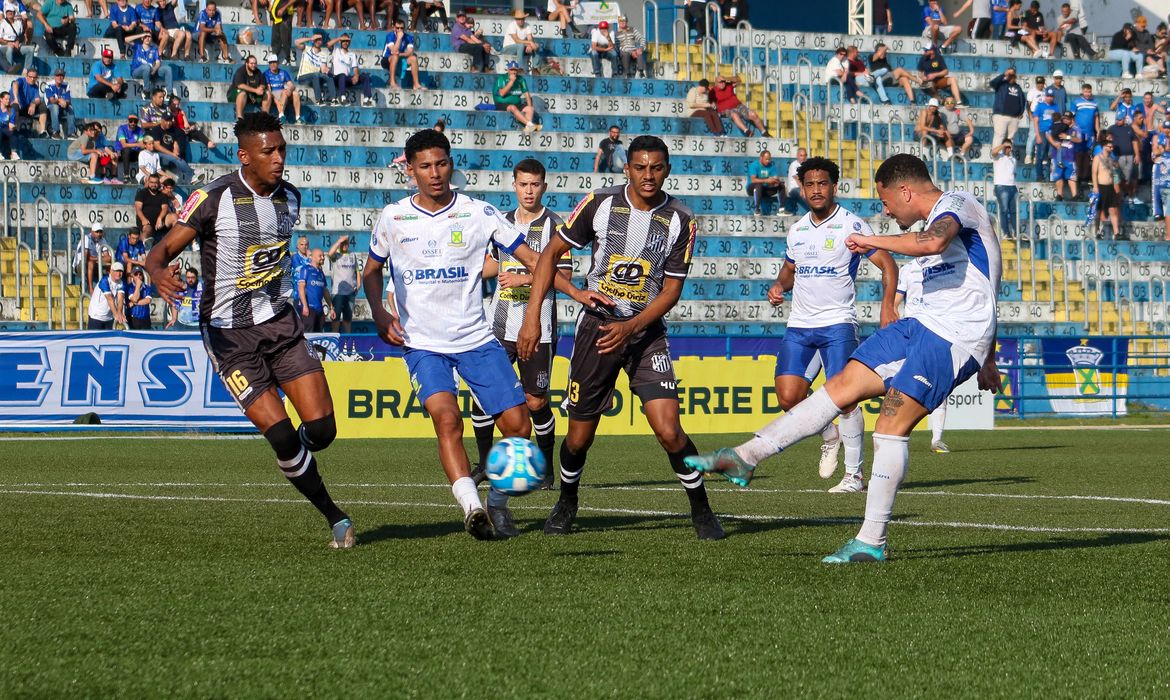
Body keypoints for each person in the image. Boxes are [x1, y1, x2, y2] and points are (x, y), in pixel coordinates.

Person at [685, 153, 1002, 564]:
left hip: (954, 337)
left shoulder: (956, 205)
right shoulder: (942, 227)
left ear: (905, 191)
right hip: (921, 326)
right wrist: (992, 356)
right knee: (841, 388)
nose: (885, 210)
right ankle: (746, 457)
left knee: (890, 423)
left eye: (887, 201)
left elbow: (934, 243)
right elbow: (989, 279)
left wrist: (872, 240)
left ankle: (872, 540)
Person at [361, 129, 590, 540]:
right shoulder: (393, 217)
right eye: (425, 166)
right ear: (410, 169)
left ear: (451, 164)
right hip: (423, 344)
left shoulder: (479, 212)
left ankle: (497, 506)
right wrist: (379, 312)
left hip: (476, 339)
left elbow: (535, 259)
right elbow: (371, 270)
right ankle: (472, 509)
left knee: (519, 428)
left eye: (442, 164)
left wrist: (574, 291)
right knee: (447, 421)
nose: (435, 173)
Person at [144, 112, 355, 549]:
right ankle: (334, 516)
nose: (279, 158)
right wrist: (157, 271)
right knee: (280, 436)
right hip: (229, 334)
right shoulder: (212, 197)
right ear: (245, 156)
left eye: (282, 150)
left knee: (322, 432)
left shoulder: (290, 199)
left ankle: (297, 455)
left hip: (280, 324)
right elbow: (160, 251)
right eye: (269, 151)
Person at [516, 134, 726, 541]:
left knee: (669, 430)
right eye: (640, 167)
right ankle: (567, 501)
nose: (649, 175)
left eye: (657, 167)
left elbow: (671, 290)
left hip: (645, 332)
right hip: (596, 329)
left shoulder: (681, 218)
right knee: (579, 437)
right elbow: (549, 254)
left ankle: (702, 510)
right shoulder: (598, 203)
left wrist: (632, 327)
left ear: (667, 169)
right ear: (626, 168)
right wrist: (531, 318)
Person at [767, 157, 898, 493]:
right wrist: (780, 285)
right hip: (800, 324)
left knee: (846, 399)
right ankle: (829, 435)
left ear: (834, 186)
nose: (816, 190)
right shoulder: (796, 230)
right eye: (809, 184)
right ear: (801, 187)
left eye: (822, 183)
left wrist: (887, 306)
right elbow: (789, 269)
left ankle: (854, 476)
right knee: (787, 397)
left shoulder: (851, 226)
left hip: (837, 323)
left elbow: (887, 264)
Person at [468, 158, 572, 491]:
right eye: (523, 184)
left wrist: (525, 277)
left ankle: (543, 467)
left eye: (535, 184)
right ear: (513, 184)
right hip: (497, 327)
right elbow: (490, 265)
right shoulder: (500, 222)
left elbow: (565, 276)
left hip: (537, 328)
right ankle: (484, 463)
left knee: (535, 402)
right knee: (483, 395)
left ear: (544, 186)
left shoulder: (557, 225)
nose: (529, 191)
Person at [893, 258, 949, 453]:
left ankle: (937, 439)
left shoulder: (942, 264)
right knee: (901, 383)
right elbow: (895, 302)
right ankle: (898, 433)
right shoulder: (908, 269)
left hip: (935, 331)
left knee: (938, 383)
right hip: (912, 329)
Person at [148, 111, 194, 183]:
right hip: (158, 154)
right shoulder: (156, 129)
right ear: (162, 120)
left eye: (170, 120)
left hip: (169, 155)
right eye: (166, 121)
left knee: (178, 158)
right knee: (176, 159)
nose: (169, 123)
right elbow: (157, 146)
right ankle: (191, 175)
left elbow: (175, 143)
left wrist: (176, 151)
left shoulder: (173, 130)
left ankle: (189, 178)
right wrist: (172, 154)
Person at [495, 61, 539, 134]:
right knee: (512, 107)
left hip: (516, 104)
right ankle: (529, 124)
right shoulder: (501, 78)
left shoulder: (521, 79)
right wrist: (511, 82)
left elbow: (527, 95)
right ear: (508, 70)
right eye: (512, 70)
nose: (514, 72)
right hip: (502, 103)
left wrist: (530, 108)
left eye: (515, 70)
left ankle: (526, 131)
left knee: (530, 109)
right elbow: (502, 93)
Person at [1092, 138, 1122, 239]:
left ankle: (1116, 232)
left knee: (1113, 209)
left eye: (1112, 146)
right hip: (1101, 187)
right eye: (1110, 146)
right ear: (1104, 146)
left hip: (1110, 187)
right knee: (1099, 211)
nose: (1111, 148)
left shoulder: (1111, 159)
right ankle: (1097, 231)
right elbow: (1094, 173)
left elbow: (1113, 174)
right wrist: (1095, 186)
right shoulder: (1097, 157)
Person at [1047, 110, 1081, 201]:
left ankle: (1075, 195)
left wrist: (1068, 137)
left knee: (1071, 177)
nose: (1065, 120)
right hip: (1057, 155)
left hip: (1070, 156)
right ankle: (1059, 195)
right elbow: (1048, 134)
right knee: (1058, 175)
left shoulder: (1076, 128)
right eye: (1064, 118)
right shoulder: (1057, 126)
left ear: (1072, 120)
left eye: (1067, 119)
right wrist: (1054, 143)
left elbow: (1079, 140)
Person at [326, 235, 357, 332]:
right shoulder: (337, 255)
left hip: (350, 293)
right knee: (336, 319)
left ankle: (348, 340)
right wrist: (339, 241)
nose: (344, 245)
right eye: (342, 244)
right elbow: (329, 253)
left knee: (348, 319)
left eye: (346, 243)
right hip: (338, 293)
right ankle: (335, 339)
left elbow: (356, 271)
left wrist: (358, 285)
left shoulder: (352, 255)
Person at [332, 33, 373, 106]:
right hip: (337, 79)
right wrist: (339, 38)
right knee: (342, 75)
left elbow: (355, 68)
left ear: (349, 42)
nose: (345, 43)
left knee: (365, 77)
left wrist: (356, 76)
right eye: (344, 41)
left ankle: (367, 99)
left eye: (347, 41)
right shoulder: (336, 50)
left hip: (346, 80)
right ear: (340, 42)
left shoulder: (352, 54)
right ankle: (343, 98)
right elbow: (328, 44)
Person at [989, 68, 1026, 149]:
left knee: (1010, 139)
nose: (1012, 77)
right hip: (1001, 115)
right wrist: (1004, 74)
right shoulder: (1001, 84)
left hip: (1014, 117)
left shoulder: (1018, 87)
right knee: (999, 136)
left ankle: (1008, 156)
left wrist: (1021, 112)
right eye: (1010, 75)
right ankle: (995, 157)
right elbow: (992, 83)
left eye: (1013, 75)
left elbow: (1022, 100)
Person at [297, 248, 332, 332]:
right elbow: (301, 288)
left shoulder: (320, 272)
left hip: (319, 310)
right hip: (309, 309)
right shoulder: (305, 269)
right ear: (312, 257)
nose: (323, 258)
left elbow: (325, 291)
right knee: (308, 336)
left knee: (319, 336)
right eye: (320, 256)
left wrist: (331, 307)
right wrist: (305, 306)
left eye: (323, 256)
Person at [296, 33, 337, 104]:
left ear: (322, 42)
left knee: (329, 77)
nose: (318, 42)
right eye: (316, 40)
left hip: (315, 79)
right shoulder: (307, 48)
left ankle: (334, 99)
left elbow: (323, 69)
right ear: (313, 41)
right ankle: (319, 100)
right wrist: (310, 38)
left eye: (320, 40)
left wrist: (327, 71)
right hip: (303, 78)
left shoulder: (323, 54)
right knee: (316, 75)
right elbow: (296, 42)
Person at [1108, 116, 1142, 204]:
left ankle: (1129, 195)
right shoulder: (1112, 128)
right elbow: (1106, 139)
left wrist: (1137, 155)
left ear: (1124, 119)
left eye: (1120, 119)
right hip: (1118, 156)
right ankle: (1126, 194)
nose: (1118, 121)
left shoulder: (1129, 128)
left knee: (1129, 177)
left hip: (1130, 156)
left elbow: (1134, 142)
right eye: (1117, 119)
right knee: (1122, 178)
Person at [1072, 82, 1100, 188]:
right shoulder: (1076, 102)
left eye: (1089, 91)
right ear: (1082, 91)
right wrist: (1074, 130)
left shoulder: (1095, 103)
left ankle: (1084, 177)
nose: (1088, 93)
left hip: (1090, 133)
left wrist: (1098, 130)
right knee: (1079, 155)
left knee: (1087, 155)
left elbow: (1096, 118)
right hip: (1080, 133)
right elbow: (1072, 117)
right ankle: (1078, 176)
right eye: (1086, 91)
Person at [382, 18, 422, 89]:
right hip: (387, 59)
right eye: (397, 28)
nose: (399, 30)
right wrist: (399, 39)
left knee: (413, 58)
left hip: (399, 57)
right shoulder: (390, 36)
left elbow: (410, 52)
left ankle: (416, 84)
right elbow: (394, 51)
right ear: (394, 28)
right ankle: (392, 82)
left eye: (401, 28)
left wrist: (400, 54)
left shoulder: (408, 37)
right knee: (395, 56)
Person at [131, 32, 174, 97]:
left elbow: (158, 62)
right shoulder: (137, 46)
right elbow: (126, 40)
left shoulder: (154, 49)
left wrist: (155, 69)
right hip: (137, 71)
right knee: (146, 67)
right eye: (146, 37)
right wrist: (140, 34)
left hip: (151, 71)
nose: (147, 38)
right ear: (142, 38)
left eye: (149, 37)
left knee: (168, 69)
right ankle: (146, 91)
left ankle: (170, 94)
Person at [135, 172, 174, 241]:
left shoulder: (162, 194)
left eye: (155, 183)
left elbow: (165, 208)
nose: (153, 185)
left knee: (174, 217)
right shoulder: (142, 193)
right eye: (151, 182)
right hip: (146, 222)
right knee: (147, 230)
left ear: (159, 183)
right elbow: (138, 208)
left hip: (159, 222)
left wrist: (160, 218)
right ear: (148, 182)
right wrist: (143, 219)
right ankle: (142, 246)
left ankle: (176, 241)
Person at [263, 54, 302, 124]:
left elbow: (292, 85)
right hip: (274, 93)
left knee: (295, 93)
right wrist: (274, 98)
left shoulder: (283, 72)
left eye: (274, 62)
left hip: (284, 92)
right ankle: (281, 115)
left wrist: (290, 90)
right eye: (271, 63)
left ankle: (298, 117)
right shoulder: (266, 74)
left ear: (278, 63)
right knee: (284, 91)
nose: (272, 64)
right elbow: (268, 89)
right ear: (269, 64)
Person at [87, 261, 126, 329]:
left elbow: (120, 298)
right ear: (111, 271)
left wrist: (119, 312)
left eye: (120, 271)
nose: (118, 273)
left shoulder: (121, 283)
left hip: (109, 317)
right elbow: (109, 299)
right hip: (96, 316)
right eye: (116, 271)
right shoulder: (104, 281)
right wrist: (116, 315)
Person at [991, 139, 1018, 236]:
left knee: (1014, 211)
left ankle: (1016, 232)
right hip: (1001, 186)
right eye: (1006, 147)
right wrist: (1003, 145)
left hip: (1012, 186)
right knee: (1004, 210)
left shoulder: (1013, 160)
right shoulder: (998, 157)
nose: (1008, 149)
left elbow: (1013, 173)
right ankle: (1006, 232)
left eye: (1009, 147)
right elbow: (993, 152)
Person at [10, 68, 46, 137]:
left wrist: (33, 104)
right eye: (30, 77)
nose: (32, 79)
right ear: (27, 76)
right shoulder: (21, 81)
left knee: (43, 105)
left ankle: (42, 131)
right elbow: (15, 84)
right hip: (17, 106)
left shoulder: (35, 87)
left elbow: (38, 99)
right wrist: (16, 99)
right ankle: (14, 130)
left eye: (34, 77)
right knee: (15, 106)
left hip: (27, 108)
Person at [75, 223, 111, 292]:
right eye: (97, 232)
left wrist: (95, 259)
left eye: (100, 232)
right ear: (92, 232)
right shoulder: (86, 238)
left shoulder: (102, 240)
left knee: (111, 264)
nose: (99, 234)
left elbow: (108, 258)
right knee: (90, 263)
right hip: (80, 265)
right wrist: (99, 258)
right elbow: (87, 257)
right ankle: (90, 288)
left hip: (95, 264)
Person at [502, 9, 539, 74]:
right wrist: (529, 43)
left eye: (522, 19)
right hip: (508, 48)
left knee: (536, 45)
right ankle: (520, 68)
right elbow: (516, 40)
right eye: (518, 19)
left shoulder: (527, 25)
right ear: (516, 19)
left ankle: (535, 68)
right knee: (521, 45)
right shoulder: (512, 25)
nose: (521, 20)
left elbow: (530, 38)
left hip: (521, 47)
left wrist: (530, 45)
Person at [747, 149, 783, 215]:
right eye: (766, 159)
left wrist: (776, 181)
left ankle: (782, 209)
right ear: (761, 158)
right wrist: (767, 180)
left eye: (769, 159)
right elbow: (753, 180)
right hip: (752, 188)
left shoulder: (771, 166)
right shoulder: (754, 165)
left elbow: (775, 177)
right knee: (758, 185)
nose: (768, 161)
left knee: (781, 185)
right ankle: (757, 209)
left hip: (765, 189)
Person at [1031, 88, 1057, 180]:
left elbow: (1057, 121)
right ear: (1045, 96)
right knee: (1040, 155)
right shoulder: (1040, 106)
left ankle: (1051, 176)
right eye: (1048, 96)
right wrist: (1038, 135)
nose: (1049, 98)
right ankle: (1039, 175)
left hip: (1052, 133)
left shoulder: (1055, 107)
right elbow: (1035, 121)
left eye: (1051, 96)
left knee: (1051, 155)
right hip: (1042, 132)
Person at [0, 6, 35, 74]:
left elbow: (21, 36)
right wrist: (8, 43)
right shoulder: (2, 23)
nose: (9, 13)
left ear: (14, 13)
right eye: (8, 11)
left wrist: (18, 41)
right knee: (10, 48)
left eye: (11, 11)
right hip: (5, 46)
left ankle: (25, 71)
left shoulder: (18, 23)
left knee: (31, 49)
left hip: (17, 46)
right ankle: (10, 69)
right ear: (6, 13)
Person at [43, 69, 76, 140]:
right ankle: (55, 132)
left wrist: (66, 103)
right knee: (55, 107)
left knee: (70, 107)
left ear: (63, 77)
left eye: (61, 76)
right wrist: (60, 100)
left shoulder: (66, 85)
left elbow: (68, 99)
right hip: (50, 107)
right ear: (54, 76)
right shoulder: (49, 84)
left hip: (62, 108)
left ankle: (71, 133)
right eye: (58, 76)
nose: (59, 77)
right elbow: (51, 100)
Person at [1152, 120, 1170, 241]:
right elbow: (1154, 154)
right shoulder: (1158, 138)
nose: (1167, 130)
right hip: (1162, 177)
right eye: (1165, 128)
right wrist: (1163, 149)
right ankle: (1168, 234)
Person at [1023, 75, 1045, 164]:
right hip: (1034, 115)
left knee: (1041, 136)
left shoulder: (1045, 92)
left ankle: (1037, 156)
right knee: (1032, 135)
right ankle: (1028, 155)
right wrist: (1030, 115)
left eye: (1041, 83)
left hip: (1043, 117)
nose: (1040, 85)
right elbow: (1028, 104)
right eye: (1038, 83)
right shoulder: (1032, 92)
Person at [786, 147, 807, 213]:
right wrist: (802, 189)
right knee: (801, 193)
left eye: (804, 155)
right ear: (797, 156)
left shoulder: (807, 165)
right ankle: (813, 211)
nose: (803, 157)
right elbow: (797, 179)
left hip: (803, 187)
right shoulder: (794, 165)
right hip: (794, 189)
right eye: (801, 155)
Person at [0, 91, 15, 160]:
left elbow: (11, 124)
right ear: (1, 99)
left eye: (9, 99)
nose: (8, 101)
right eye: (6, 99)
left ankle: (13, 153)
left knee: (12, 132)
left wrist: (12, 127)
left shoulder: (11, 110)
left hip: (5, 130)